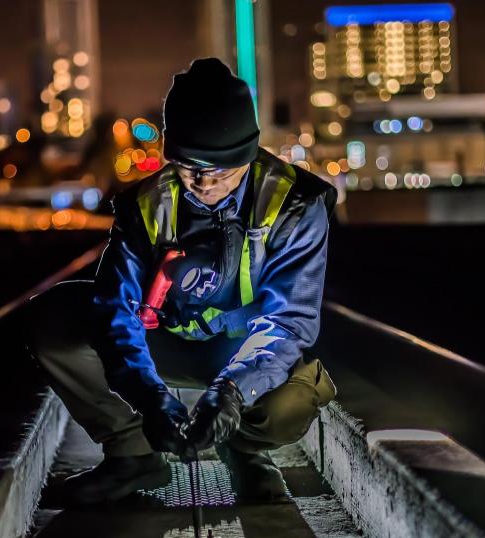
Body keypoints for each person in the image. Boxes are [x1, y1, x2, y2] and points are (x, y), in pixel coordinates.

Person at [27, 57, 337, 504]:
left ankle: (246, 453)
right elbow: (116, 309)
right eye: (190, 166)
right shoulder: (145, 205)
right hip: (167, 343)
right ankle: (132, 455)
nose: (203, 182)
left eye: (221, 170)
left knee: (287, 405)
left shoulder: (296, 205)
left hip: (244, 348)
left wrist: (230, 393)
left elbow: (289, 322)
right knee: (52, 318)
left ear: (247, 155)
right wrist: (148, 395)